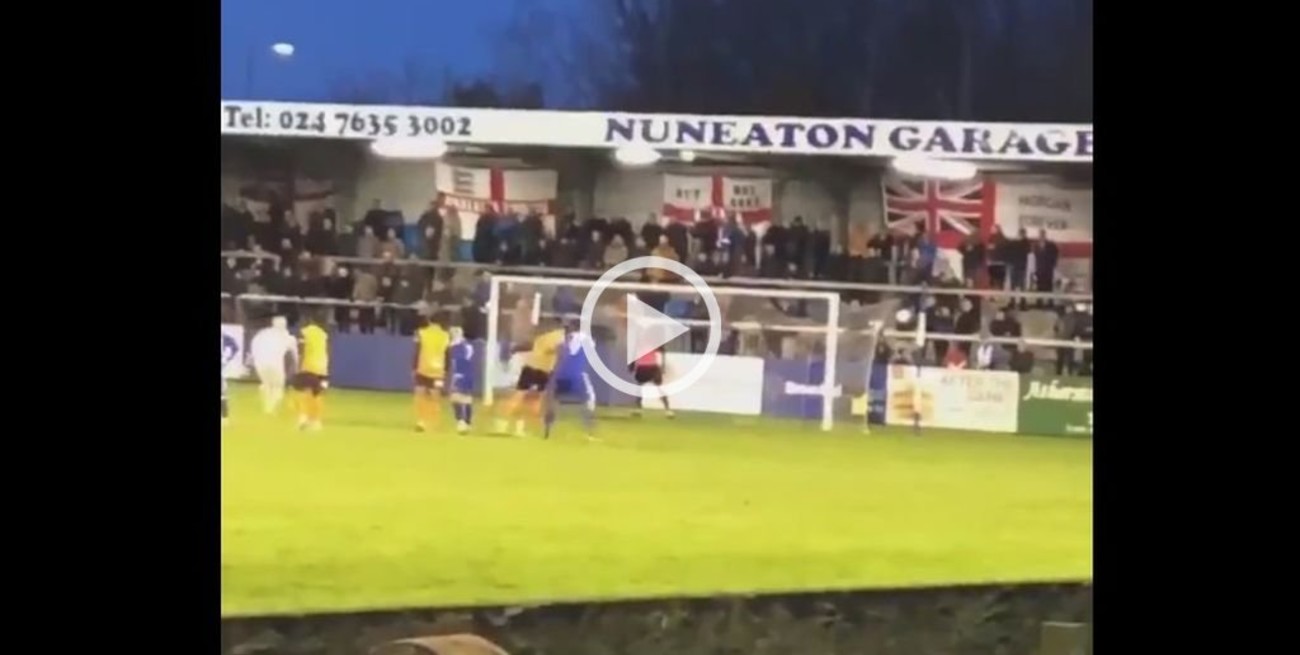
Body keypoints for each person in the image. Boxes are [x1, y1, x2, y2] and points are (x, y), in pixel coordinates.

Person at [494, 318, 566, 437]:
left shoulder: (543, 336)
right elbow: (558, 350)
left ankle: (516, 427)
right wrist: (559, 366)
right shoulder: (558, 337)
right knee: (523, 398)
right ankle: (503, 425)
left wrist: (515, 349)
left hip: (536, 369)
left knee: (530, 400)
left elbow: (530, 346)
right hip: (537, 370)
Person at [544, 326, 597, 439]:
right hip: (577, 377)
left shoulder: (563, 343)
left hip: (560, 377)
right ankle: (590, 433)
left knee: (552, 402)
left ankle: (547, 432)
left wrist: (552, 380)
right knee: (589, 400)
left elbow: (558, 356)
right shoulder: (587, 340)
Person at [250, 316, 298, 415]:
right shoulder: (288, 337)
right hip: (275, 364)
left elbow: (254, 345)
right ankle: (270, 409)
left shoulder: (262, 333)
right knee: (278, 387)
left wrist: (254, 359)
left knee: (267, 385)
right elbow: (295, 355)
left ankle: (267, 407)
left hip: (260, 364)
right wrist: (296, 368)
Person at [412, 315, 452, 433]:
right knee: (435, 397)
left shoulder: (421, 333)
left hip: (423, 369)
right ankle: (433, 422)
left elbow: (417, 351)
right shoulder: (446, 335)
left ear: (429, 321)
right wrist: (446, 370)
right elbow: (448, 354)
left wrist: (413, 367)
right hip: (438, 371)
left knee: (420, 395)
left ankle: (421, 421)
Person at [294, 313, 330, 431]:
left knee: (302, 392)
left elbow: (302, 349)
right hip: (323, 368)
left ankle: (303, 417)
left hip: (308, 366)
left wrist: (298, 365)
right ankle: (316, 421)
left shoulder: (304, 332)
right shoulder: (323, 334)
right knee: (317, 395)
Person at [629, 345, 674, 418]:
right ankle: (638, 409)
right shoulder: (639, 345)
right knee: (639, 390)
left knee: (658, 389)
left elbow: (663, 351)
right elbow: (634, 356)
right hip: (643, 367)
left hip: (652, 368)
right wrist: (632, 365)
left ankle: (668, 410)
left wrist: (663, 366)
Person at [448, 327, 476, 434]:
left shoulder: (455, 346)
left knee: (455, 398)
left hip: (461, 374)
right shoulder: (468, 346)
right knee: (467, 399)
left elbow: (459, 361)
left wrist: (456, 375)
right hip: (469, 374)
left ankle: (461, 421)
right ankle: (468, 423)